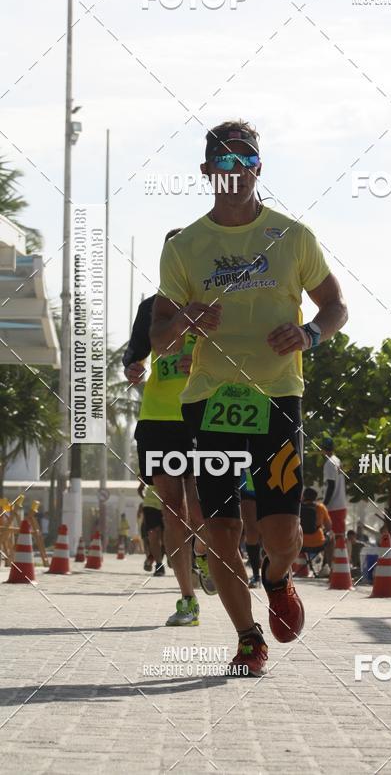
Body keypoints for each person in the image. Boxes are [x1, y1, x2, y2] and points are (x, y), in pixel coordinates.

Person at [150, 120, 348, 675]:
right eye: (223, 161)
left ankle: (278, 578)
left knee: (282, 533)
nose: (234, 172)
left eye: (245, 161)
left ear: (259, 168)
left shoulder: (293, 236)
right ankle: (247, 637)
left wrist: (309, 334)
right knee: (222, 529)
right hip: (210, 400)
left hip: (277, 396)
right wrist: (185, 319)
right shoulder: (185, 247)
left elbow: (335, 307)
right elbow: (159, 336)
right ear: (206, 171)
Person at [124, 229, 212, 626]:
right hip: (159, 418)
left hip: (203, 415)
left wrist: (204, 364)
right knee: (173, 511)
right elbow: (135, 353)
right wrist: (134, 367)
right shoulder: (151, 307)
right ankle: (187, 600)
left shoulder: (216, 302)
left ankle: (205, 555)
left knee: (201, 510)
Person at [300, 487, 331, 572]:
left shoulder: (298, 507)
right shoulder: (320, 507)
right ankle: (327, 566)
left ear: (303, 496)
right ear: (315, 498)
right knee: (332, 538)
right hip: (318, 543)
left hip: (300, 544)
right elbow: (329, 527)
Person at [138, 482, 165, 575]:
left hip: (170, 505)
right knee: (153, 537)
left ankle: (168, 559)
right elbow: (140, 488)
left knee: (166, 538)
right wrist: (145, 500)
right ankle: (159, 565)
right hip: (151, 506)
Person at [322, 437, 346, 536]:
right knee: (339, 535)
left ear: (323, 449)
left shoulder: (329, 463)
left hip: (333, 506)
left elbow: (331, 485)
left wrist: (324, 504)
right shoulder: (337, 460)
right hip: (341, 504)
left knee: (334, 536)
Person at [240, 470, 261, 588]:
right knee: (251, 531)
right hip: (247, 477)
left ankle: (277, 574)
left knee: (269, 531)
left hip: (269, 474)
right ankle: (256, 575)